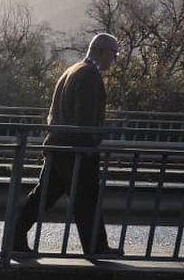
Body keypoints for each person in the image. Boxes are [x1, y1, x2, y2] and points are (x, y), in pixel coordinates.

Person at [11, 33, 120, 256]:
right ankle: (96, 248)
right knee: (87, 198)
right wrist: (90, 145)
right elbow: (85, 119)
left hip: (58, 145)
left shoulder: (72, 70)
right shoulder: (90, 75)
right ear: (101, 51)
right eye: (113, 54)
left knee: (43, 196)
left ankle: (14, 237)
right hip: (75, 149)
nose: (114, 59)